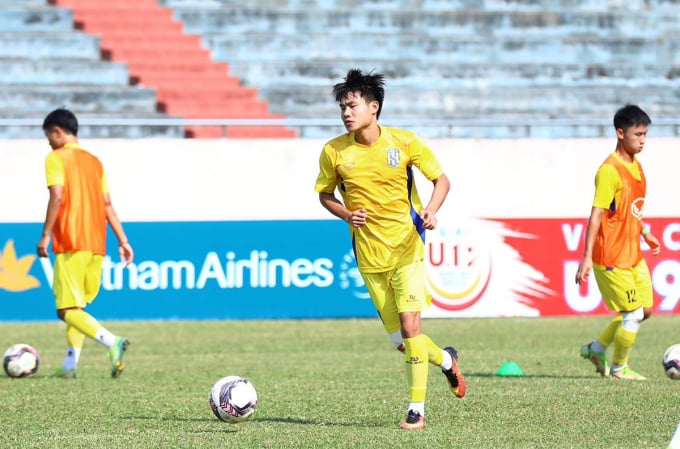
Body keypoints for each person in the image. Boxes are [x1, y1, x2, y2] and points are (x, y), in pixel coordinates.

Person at [314, 68, 466, 430]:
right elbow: (324, 195)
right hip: (369, 256)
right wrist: (347, 214)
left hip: (407, 249)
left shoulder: (404, 143)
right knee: (403, 342)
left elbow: (441, 180)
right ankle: (446, 360)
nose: (346, 113)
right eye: (342, 108)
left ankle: (416, 410)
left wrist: (431, 210)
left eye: (352, 105)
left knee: (412, 328)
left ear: (374, 107)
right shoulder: (333, 151)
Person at [36, 108, 134, 379]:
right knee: (76, 308)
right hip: (96, 244)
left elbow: (57, 196)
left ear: (57, 131)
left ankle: (111, 341)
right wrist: (123, 240)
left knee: (65, 309)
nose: (48, 142)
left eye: (48, 136)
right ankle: (70, 366)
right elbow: (106, 204)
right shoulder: (95, 162)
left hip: (70, 240)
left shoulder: (56, 158)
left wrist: (45, 235)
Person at [575, 104, 660, 381]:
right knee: (633, 313)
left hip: (633, 254)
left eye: (645, 134)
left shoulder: (637, 167)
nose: (643, 140)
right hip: (611, 257)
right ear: (620, 133)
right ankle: (620, 369)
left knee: (644, 311)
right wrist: (587, 257)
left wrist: (645, 231)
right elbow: (597, 214)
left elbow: (628, 211)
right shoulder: (609, 171)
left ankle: (595, 349)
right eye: (638, 134)